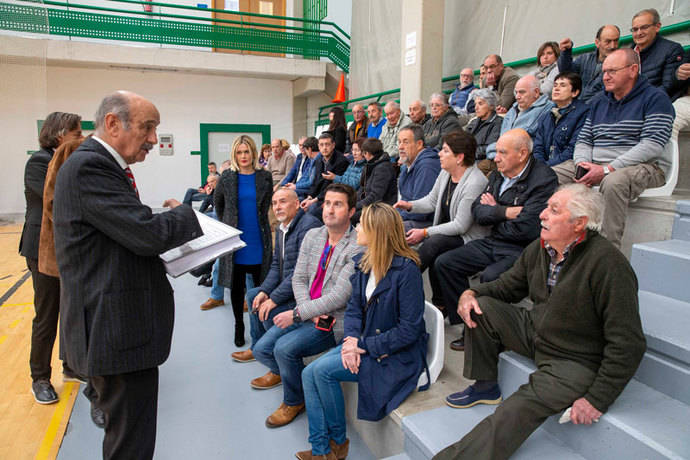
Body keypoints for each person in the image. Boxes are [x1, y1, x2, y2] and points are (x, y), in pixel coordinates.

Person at [433, 184, 645, 460]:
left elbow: (628, 343)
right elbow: (505, 288)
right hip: (536, 332)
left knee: (513, 411)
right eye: (546, 207)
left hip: (573, 360)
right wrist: (470, 293)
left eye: (553, 210)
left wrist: (597, 398)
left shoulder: (608, 265)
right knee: (480, 307)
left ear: (579, 223)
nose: (542, 215)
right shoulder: (540, 248)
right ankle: (485, 385)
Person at [53, 91, 202, 459]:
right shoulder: (91, 167)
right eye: (148, 127)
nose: (154, 138)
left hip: (114, 327)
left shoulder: (103, 167)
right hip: (114, 331)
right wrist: (189, 213)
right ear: (112, 123)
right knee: (130, 445)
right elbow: (145, 234)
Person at [297, 202, 428, 460]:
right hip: (364, 342)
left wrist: (363, 346)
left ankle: (333, 446)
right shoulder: (364, 263)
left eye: (362, 225)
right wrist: (350, 341)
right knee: (309, 372)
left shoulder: (407, 271)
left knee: (321, 372)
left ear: (376, 232)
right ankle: (323, 448)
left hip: (394, 355)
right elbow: (355, 309)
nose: (356, 229)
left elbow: (408, 331)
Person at [435, 129, 558, 351]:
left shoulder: (544, 179)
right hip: (493, 241)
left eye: (502, 152)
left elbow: (527, 227)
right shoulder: (497, 174)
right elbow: (478, 213)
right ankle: (466, 323)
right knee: (446, 262)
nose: (495, 158)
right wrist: (506, 212)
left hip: (522, 248)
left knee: (491, 277)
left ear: (522, 154)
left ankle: (488, 331)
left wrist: (495, 211)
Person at [251, 184, 361, 428]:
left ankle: (294, 400)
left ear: (351, 211)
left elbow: (339, 296)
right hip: (310, 313)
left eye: (338, 204)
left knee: (283, 349)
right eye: (328, 203)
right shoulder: (314, 236)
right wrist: (306, 310)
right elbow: (299, 277)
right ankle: (293, 379)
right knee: (261, 349)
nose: (329, 210)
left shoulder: (357, 245)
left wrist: (299, 313)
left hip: (334, 321)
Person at [554, 49, 674, 248]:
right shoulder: (600, 101)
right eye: (604, 71)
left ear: (633, 70)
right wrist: (582, 165)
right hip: (597, 163)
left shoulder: (656, 98)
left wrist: (608, 169)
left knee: (613, 182)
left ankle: (607, 251)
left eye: (612, 71)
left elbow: (652, 145)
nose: (605, 77)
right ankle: (558, 240)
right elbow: (584, 139)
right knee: (550, 174)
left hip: (643, 166)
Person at [20, 111, 83, 405]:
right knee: (47, 316)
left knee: (71, 311)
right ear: (60, 134)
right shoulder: (39, 161)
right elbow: (56, 199)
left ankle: (70, 366)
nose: (80, 138)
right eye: (76, 132)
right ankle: (40, 378)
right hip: (41, 249)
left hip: (67, 249)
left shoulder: (69, 160)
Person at [394, 130, 488, 312]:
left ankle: (400, 282)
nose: (439, 154)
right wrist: (409, 205)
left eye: (445, 150)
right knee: (437, 249)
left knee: (434, 243)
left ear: (459, 157)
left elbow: (461, 225)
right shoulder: (446, 173)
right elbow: (431, 201)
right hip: (448, 233)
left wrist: (425, 232)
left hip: (469, 237)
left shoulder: (475, 181)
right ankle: (440, 303)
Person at [230, 187, 321, 363]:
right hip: (289, 287)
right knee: (254, 295)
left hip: (303, 294)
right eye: (274, 203)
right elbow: (276, 265)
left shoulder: (309, 226)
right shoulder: (282, 228)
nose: (277, 207)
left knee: (270, 310)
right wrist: (265, 291)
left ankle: (273, 363)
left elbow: (300, 274)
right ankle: (257, 347)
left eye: (282, 201)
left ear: (296, 204)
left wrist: (274, 299)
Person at [202, 135, 273, 348]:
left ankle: (259, 330)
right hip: (236, 240)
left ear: (253, 153)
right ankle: (238, 326)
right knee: (236, 286)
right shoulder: (227, 177)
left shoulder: (265, 177)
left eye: (246, 151)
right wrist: (229, 226)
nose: (243, 156)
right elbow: (219, 205)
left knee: (260, 286)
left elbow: (267, 204)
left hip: (258, 237)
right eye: (239, 152)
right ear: (235, 155)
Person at [533, 72, 589, 167]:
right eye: (555, 85)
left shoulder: (583, 113)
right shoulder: (546, 116)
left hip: (569, 165)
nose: (556, 89)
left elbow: (573, 149)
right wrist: (541, 167)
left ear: (575, 92)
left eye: (562, 85)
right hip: (546, 166)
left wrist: (546, 167)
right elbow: (538, 147)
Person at [558, 25, 621, 103]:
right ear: (597, 43)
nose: (613, 46)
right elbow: (566, 74)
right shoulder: (585, 59)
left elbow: (604, 95)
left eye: (616, 41)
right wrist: (566, 52)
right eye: (608, 42)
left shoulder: (620, 65)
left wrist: (582, 107)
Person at [630, 8, 684, 96]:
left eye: (644, 27)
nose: (639, 33)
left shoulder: (672, 50)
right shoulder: (628, 52)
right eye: (635, 29)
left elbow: (668, 87)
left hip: (653, 103)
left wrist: (639, 101)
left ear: (657, 27)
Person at [397, 124, 441, 230]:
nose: (400, 147)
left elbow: (420, 212)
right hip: (409, 217)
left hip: (425, 223)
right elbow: (404, 200)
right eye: (399, 142)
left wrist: (394, 218)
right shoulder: (407, 163)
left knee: (381, 229)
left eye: (406, 142)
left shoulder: (427, 166)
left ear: (419, 144)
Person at [300, 133, 350, 220]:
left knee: (312, 210)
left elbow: (333, 187)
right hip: (319, 196)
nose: (324, 148)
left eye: (327, 144)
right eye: (322, 145)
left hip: (333, 196)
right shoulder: (319, 160)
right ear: (318, 146)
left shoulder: (341, 161)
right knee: (299, 203)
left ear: (333, 145)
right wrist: (309, 197)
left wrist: (314, 200)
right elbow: (315, 183)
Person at [352, 138, 398, 223]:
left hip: (381, 209)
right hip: (370, 205)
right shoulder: (371, 164)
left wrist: (355, 206)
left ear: (367, 153)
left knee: (349, 216)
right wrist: (351, 202)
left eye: (363, 153)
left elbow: (376, 197)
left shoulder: (383, 168)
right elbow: (362, 189)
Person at [499, 74, 554, 139]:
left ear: (536, 92)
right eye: (516, 92)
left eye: (522, 92)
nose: (517, 97)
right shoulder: (513, 109)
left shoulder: (548, 108)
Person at [463, 89, 502, 176]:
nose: (476, 107)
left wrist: (469, 153)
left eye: (480, 104)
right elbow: (462, 140)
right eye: (475, 104)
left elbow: (489, 148)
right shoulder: (473, 122)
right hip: (467, 159)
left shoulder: (497, 123)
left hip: (480, 161)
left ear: (491, 106)